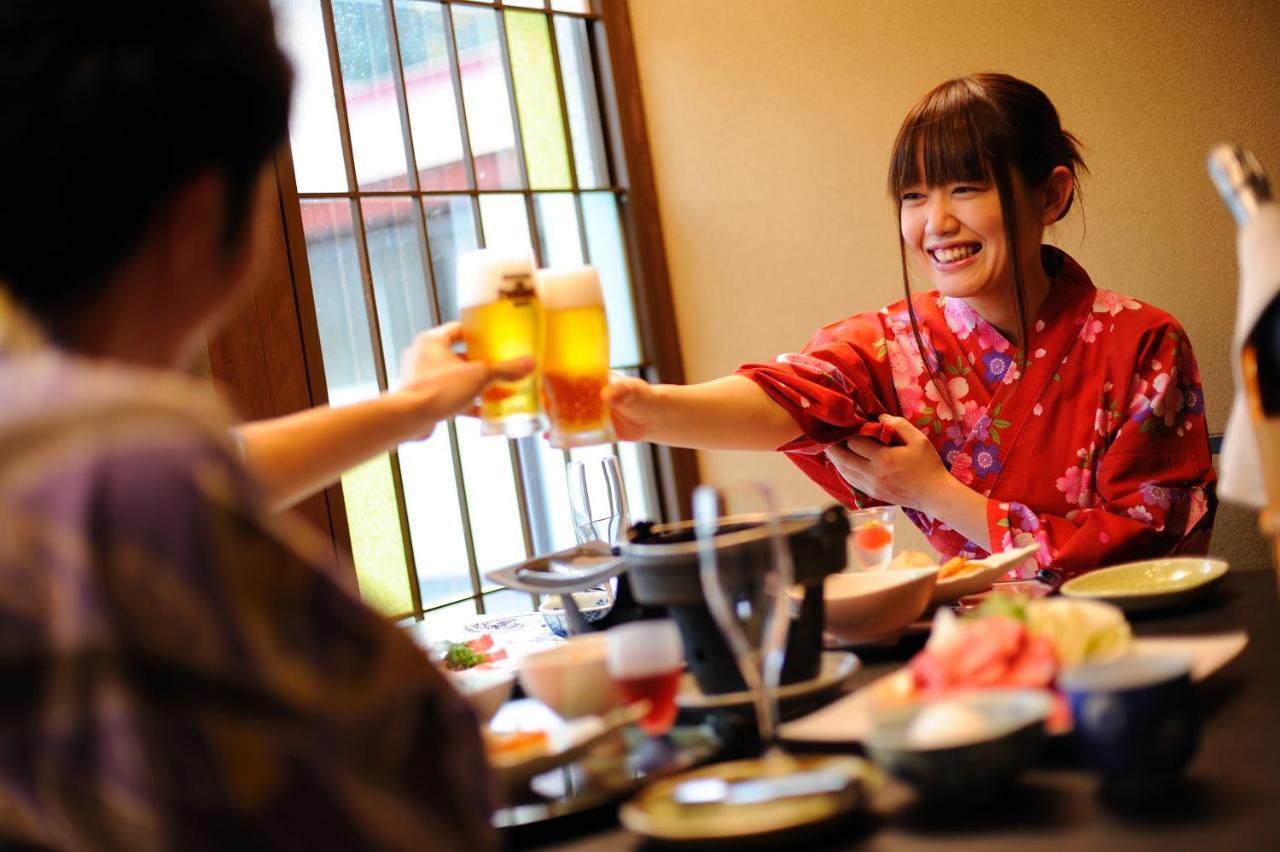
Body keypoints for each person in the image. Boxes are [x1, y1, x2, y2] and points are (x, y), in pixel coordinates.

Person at [0, 1, 526, 849]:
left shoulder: (51, 436)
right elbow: (411, 778)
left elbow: (184, 468)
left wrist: (413, 406)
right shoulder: (135, 465)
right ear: (201, 215)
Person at [606, 73, 1215, 583]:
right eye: (914, 196)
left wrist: (936, 494)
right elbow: (795, 397)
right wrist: (645, 410)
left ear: (1051, 195)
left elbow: (1149, 553)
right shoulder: (891, 344)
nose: (936, 222)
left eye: (966, 188)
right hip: (962, 657)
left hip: (1124, 655)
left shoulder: (1141, 342)